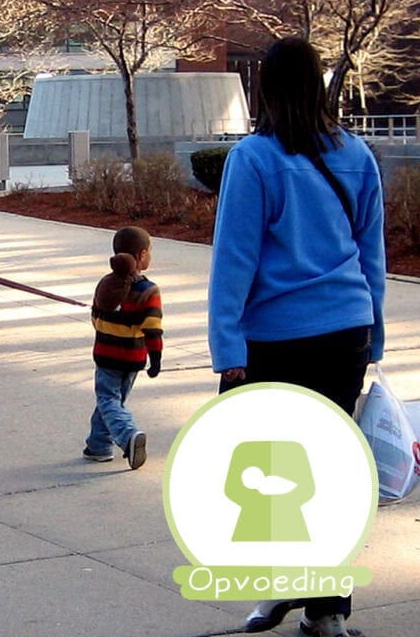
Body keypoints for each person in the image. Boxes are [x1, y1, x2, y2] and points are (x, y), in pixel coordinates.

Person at [208, 37, 385, 637]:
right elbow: (372, 258)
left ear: (267, 89)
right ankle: (327, 610)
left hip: (275, 342)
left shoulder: (253, 160)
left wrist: (228, 351)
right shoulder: (358, 154)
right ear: (319, 86)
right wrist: (375, 338)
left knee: (268, 479)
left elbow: (233, 262)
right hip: (345, 335)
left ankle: (273, 593)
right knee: (327, 471)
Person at [83, 226, 162, 470]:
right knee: (112, 401)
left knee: (109, 400)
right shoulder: (148, 290)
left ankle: (126, 436)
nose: (150, 256)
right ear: (140, 255)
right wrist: (155, 358)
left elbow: (96, 319)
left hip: (106, 355)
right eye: (150, 252)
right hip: (133, 357)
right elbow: (152, 328)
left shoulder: (105, 284)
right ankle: (99, 446)